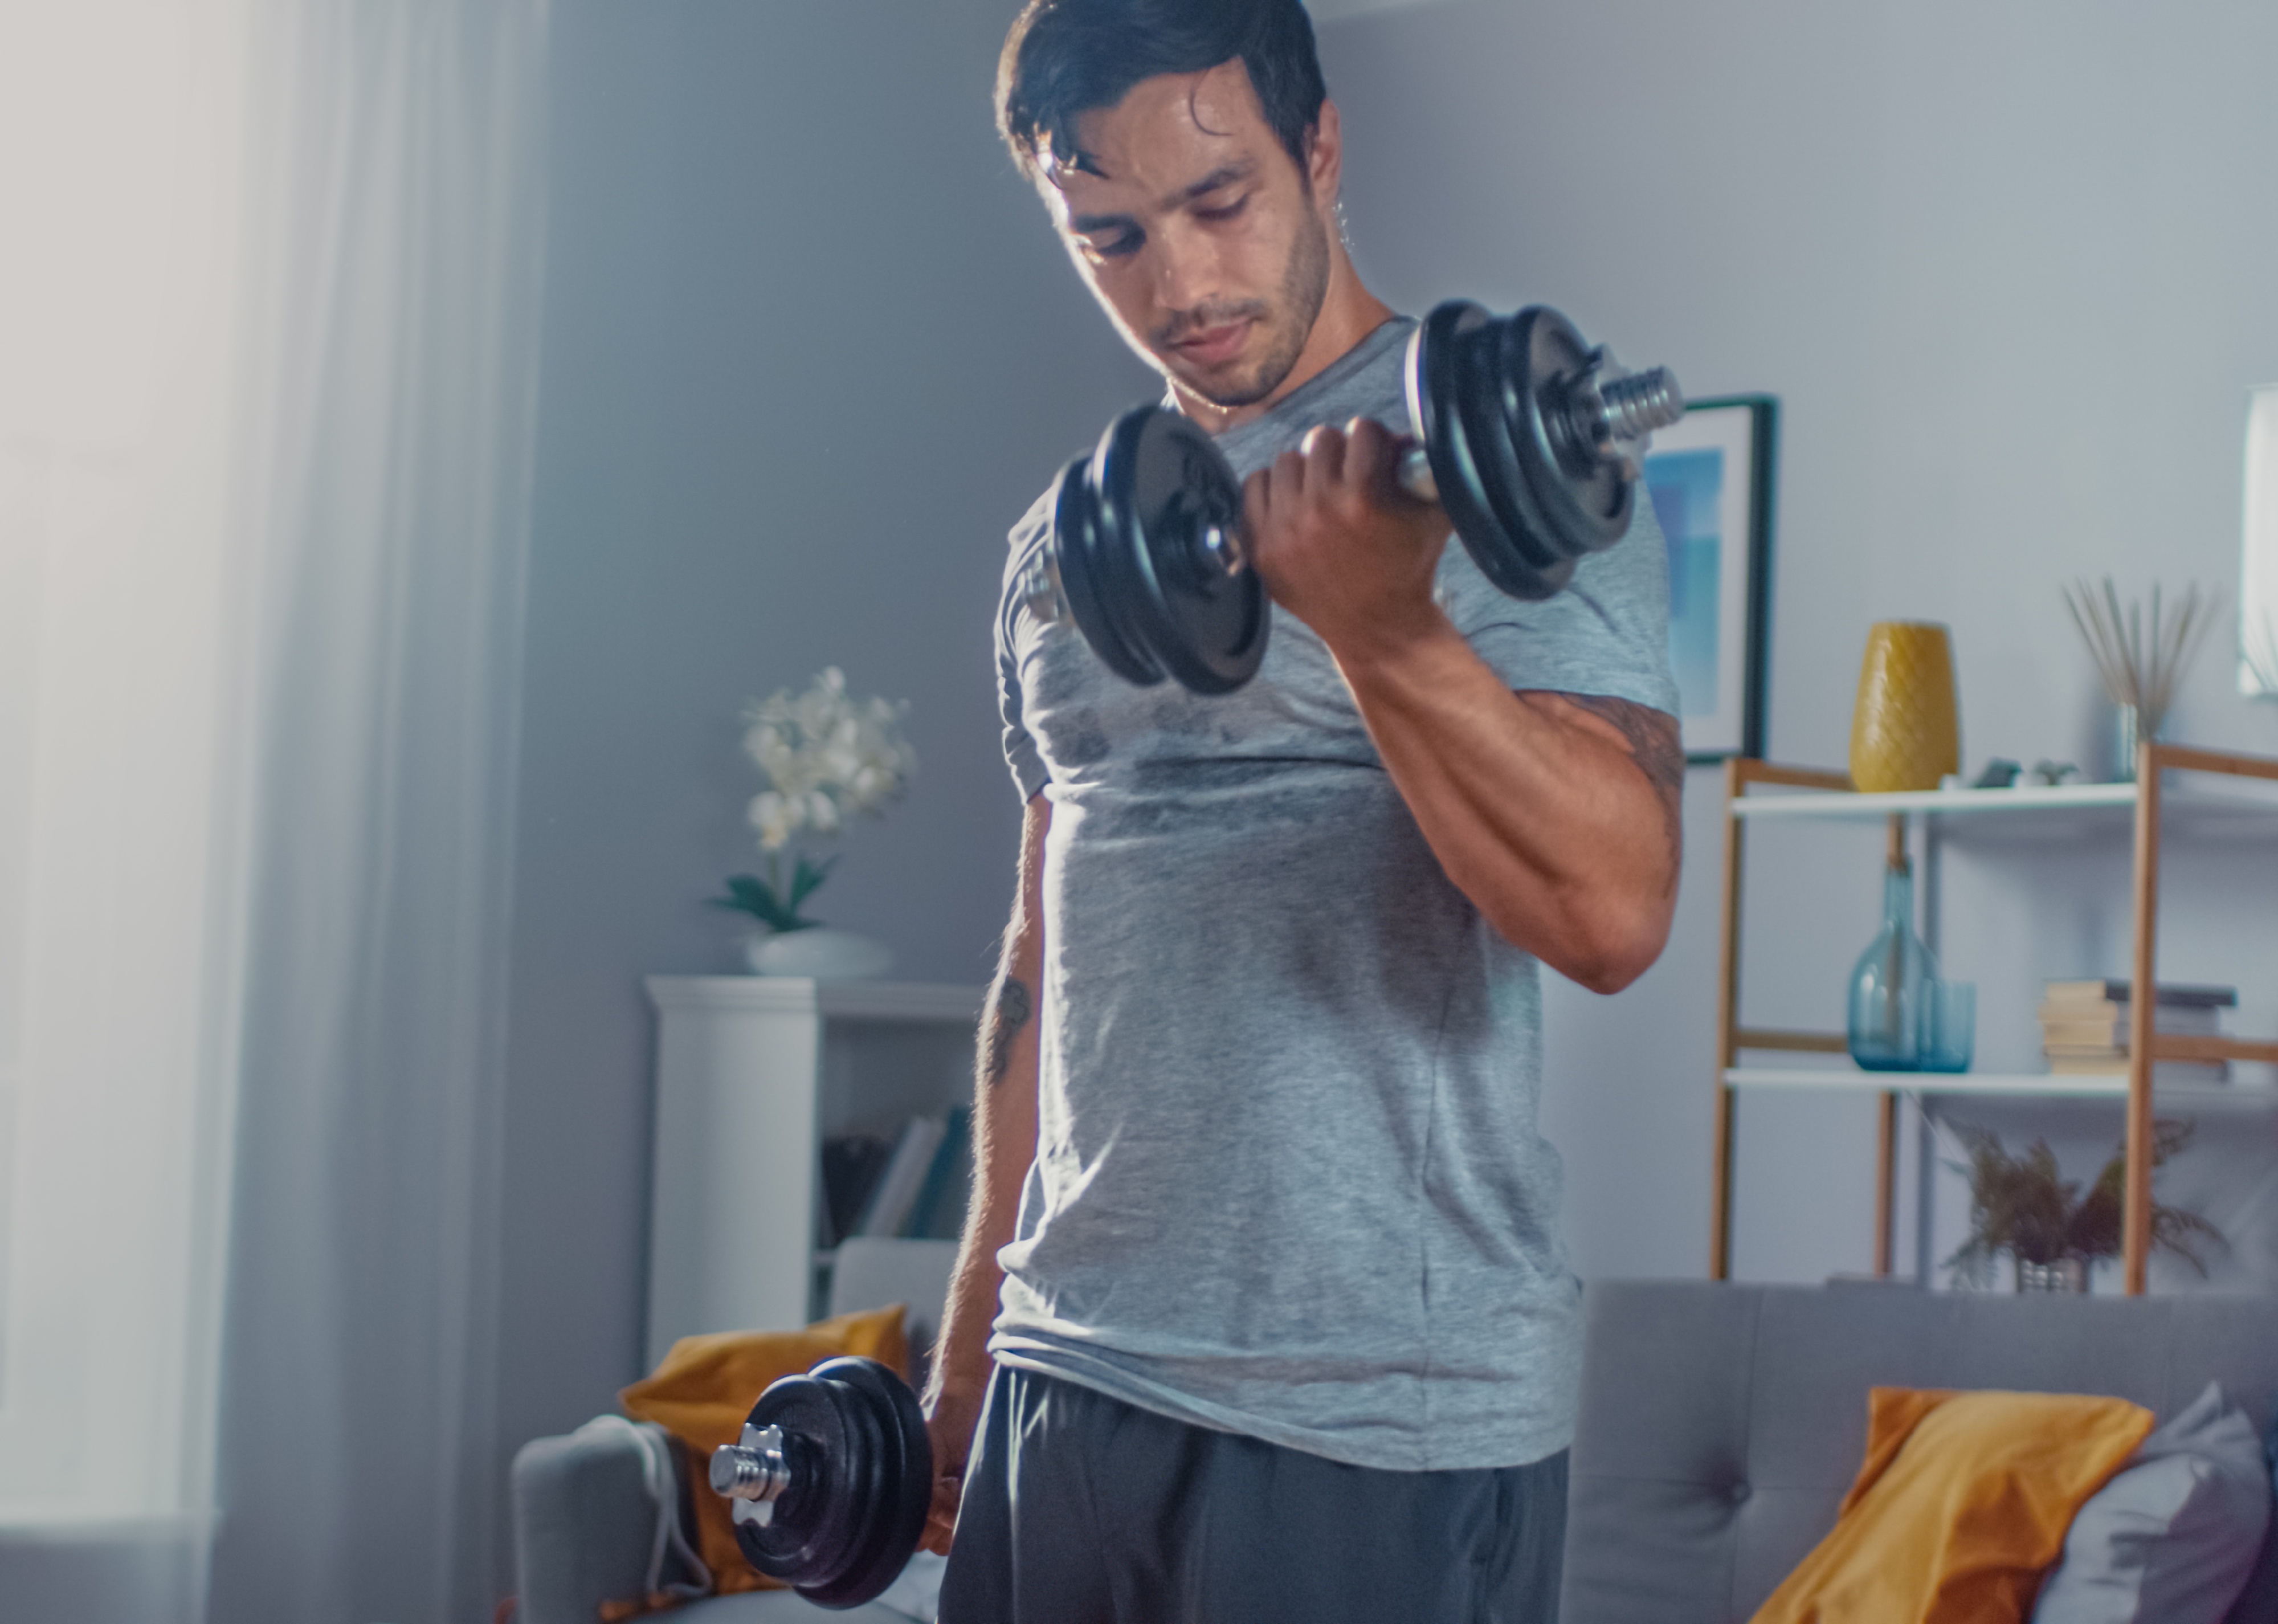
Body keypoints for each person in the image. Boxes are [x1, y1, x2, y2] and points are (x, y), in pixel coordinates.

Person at [920, 2, 1682, 1618]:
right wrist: (974, 1329)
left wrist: (1384, 623)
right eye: (1109, 235)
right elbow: (1048, 947)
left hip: (1369, 1414)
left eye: (1219, 203)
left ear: (1320, 148)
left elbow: (1614, 915)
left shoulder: (1492, 483)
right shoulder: (1056, 553)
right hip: (1069, 1383)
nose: (1178, 285)